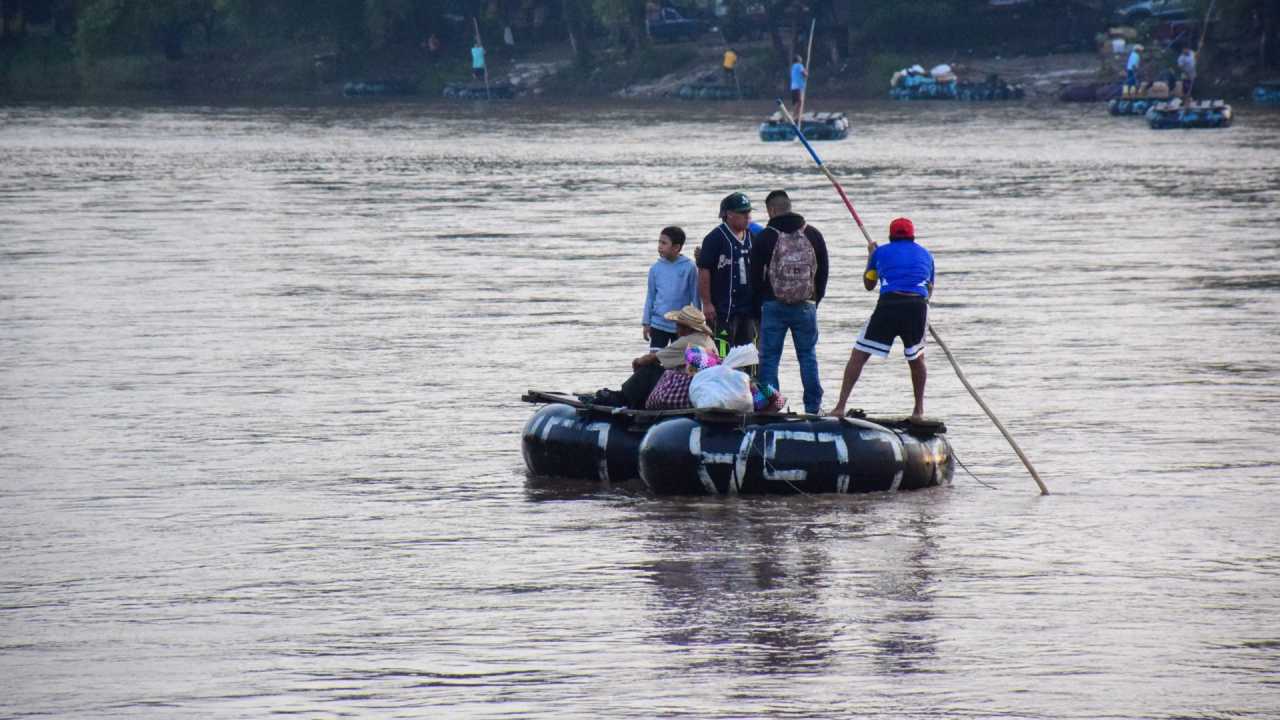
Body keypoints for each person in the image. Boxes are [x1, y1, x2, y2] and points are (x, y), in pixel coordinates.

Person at [829, 217, 934, 421]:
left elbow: (869, 284)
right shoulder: (926, 255)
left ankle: (840, 406)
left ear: (890, 236)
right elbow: (929, 290)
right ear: (913, 236)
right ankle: (918, 411)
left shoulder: (881, 252)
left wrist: (870, 257)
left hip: (889, 305)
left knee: (859, 354)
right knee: (917, 358)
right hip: (917, 306)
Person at [749, 190, 829, 415]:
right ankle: (813, 408)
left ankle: (770, 407)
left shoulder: (766, 236)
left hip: (773, 305)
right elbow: (822, 272)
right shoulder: (813, 234)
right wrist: (815, 299)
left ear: (771, 210)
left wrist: (760, 306)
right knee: (807, 356)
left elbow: (755, 276)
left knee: (769, 358)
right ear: (789, 206)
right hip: (806, 305)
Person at [618, 305, 718, 409]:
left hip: (685, 391)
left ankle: (622, 398)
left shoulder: (686, 341)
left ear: (686, 328)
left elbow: (651, 358)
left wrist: (637, 361)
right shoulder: (708, 340)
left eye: (678, 326)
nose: (676, 329)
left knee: (649, 370)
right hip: (700, 387)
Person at [697, 192, 757, 356]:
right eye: (743, 213)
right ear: (729, 214)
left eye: (748, 213)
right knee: (723, 351)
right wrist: (707, 303)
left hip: (749, 309)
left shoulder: (753, 237)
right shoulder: (714, 238)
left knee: (747, 352)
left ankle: (747, 380)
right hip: (724, 310)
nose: (747, 217)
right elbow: (704, 270)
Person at [643, 226, 699, 352]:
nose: (660, 246)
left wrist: (697, 324)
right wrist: (646, 323)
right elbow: (650, 296)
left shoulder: (689, 267)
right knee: (655, 359)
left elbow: (695, 297)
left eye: (664, 243)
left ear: (676, 247)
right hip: (658, 324)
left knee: (678, 360)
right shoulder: (655, 269)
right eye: (659, 242)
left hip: (681, 325)